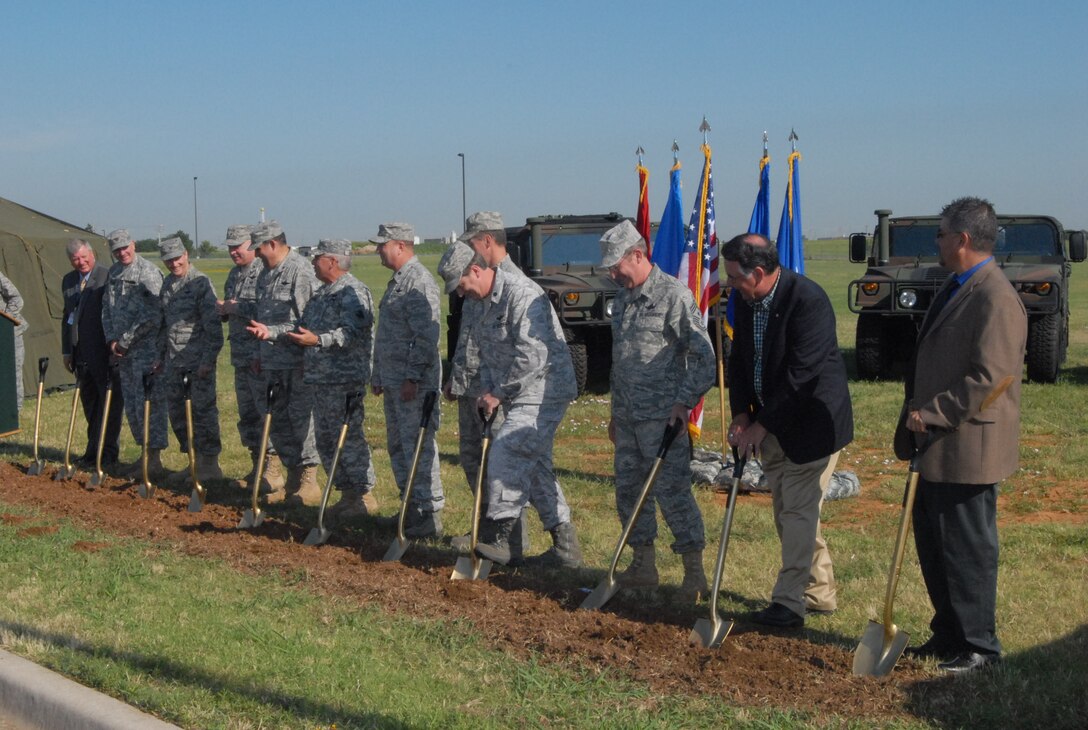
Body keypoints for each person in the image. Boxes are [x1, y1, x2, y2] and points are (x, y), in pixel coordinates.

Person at [895, 196, 1026, 673]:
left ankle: (979, 647)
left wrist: (933, 412)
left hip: (968, 446)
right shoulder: (956, 285)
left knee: (967, 548)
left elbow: (991, 377)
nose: (937, 241)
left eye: (941, 234)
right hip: (937, 445)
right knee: (935, 543)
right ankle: (948, 634)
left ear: (963, 240)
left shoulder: (995, 296)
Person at [724, 232, 853, 628]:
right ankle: (820, 592)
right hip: (771, 424)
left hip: (812, 425)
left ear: (760, 272)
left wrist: (762, 424)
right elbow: (741, 360)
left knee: (796, 514)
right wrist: (742, 414)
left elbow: (802, 376)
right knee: (789, 515)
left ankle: (789, 603)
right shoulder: (744, 301)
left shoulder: (808, 301)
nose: (730, 286)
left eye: (735, 279)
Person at [437, 242, 582, 568]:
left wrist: (499, 392)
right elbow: (491, 354)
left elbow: (533, 356)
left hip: (546, 387)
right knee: (534, 463)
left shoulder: (520, 292)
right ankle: (565, 546)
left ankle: (504, 538)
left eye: (461, 285)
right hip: (518, 387)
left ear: (475, 270)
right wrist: (487, 389)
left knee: (511, 452)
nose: (461, 294)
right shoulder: (486, 301)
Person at [599, 220, 714, 601]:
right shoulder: (624, 300)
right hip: (630, 419)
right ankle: (643, 566)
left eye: (617, 265)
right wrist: (617, 413)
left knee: (673, 494)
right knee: (629, 493)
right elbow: (621, 360)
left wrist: (683, 402)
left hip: (664, 419)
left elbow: (703, 358)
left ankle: (694, 576)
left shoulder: (672, 296)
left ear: (638, 254)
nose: (613, 273)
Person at [442, 211, 530, 558]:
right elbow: (468, 335)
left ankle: (508, 537)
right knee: (471, 460)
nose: (468, 247)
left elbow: (513, 346)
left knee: (501, 466)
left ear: (487, 241)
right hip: (472, 386)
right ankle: (485, 526)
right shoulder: (474, 278)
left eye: (472, 240)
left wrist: (499, 390)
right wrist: (457, 376)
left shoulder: (511, 283)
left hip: (497, 390)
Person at [285, 239, 379, 522]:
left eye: (318, 258)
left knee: (347, 438)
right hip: (321, 379)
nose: (313, 263)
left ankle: (364, 496)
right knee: (326, 440)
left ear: (333, 261)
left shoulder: (352, 292)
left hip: (344, 380)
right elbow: (305, 329)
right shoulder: (322, 293)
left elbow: (353, 333)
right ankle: (346, 493)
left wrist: (319, 340)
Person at [371, 223, 444, 537]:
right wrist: (378, 374)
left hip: (413, 385)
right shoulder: (397, 282)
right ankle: (410, 508)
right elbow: (389, 334)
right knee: (398, 446)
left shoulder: (418, 281)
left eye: (382, 245)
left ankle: (428, 513)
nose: (377, 250)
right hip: (394, 381)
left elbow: (426, 336)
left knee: (418, 448)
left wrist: (412, 377)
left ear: (399, 245)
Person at [245, 221, 321, 505]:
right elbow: (260, 317)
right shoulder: (265, 274)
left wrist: (307, 359)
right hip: (271, 362)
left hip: (296, 363)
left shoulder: (300, 270)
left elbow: (307, 322)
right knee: (278, 424)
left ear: (273, 244)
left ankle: (309, 481)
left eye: (260, 249)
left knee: (302, 422)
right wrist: (257, 353)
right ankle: (291, 478)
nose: (257, 255)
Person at [216, 225, 284, 495]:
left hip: (259, 355)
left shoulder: (263, 272)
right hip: (240, 357)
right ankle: (256, 465)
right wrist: (223, 310)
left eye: (239, 246)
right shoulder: (233, 274)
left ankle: (273, 469)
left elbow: (266, 309)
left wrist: (236, 308)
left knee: (264, 411)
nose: (234, 252)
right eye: (230, 247)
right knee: (248, 415)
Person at [154, 237, 224, 485]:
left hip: (197, 363)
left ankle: (210, 465)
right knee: (179, 414)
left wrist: (208, 360)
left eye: (177, 258)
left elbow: (213, 328)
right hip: (174, 362)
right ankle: (192, 460)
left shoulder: (200, 283)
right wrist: (161, 357)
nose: (174, 263)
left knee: (202, 412)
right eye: (168, 260)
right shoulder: (168, 284)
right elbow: (164, 324)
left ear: (186, 254)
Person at [102, 228, 168, 477]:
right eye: (117, 249)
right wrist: (111, 339)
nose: (122, 253)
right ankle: (144, 454)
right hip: (123, 353)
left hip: (146, 351)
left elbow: (154, 314)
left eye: (125, 247)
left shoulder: (148, 272)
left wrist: (126, 340)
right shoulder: (114, 272)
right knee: (132, 406)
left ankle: (154, 458)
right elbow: (106, 308)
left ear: (134, 244)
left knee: (150, 404)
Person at [61, 239, 124, 467]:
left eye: (84, 257)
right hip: (81, 356)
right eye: (76, 259)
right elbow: (66, 318)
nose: (81, 262)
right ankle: (92, 451)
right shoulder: (69, 281)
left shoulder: (107, 277)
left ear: (92, 254)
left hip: (103, 353)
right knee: (90, 405)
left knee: (109, 406)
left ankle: (108, 454)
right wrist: (67, 351)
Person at [0, 270, 27, 411]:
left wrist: (4, 321)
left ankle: (15, 412)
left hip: (10, 332)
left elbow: (16, 298)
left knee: (14, 372)